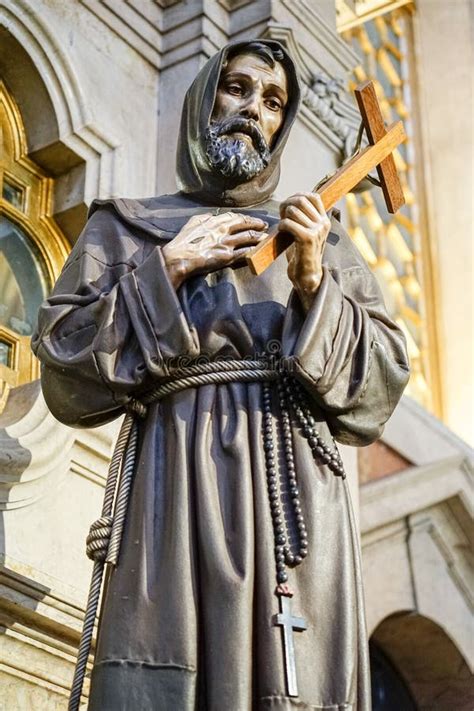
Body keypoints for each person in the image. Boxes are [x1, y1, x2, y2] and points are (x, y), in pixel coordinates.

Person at [32, 40, 409, 711]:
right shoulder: (125, 229)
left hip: (295, 500)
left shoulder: (323, 240)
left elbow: (380, 384)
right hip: (170, 487)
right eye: (237, 88)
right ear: (205, 96)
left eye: (273, 101)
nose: (252, 110)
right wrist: (166, 268)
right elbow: (65, 365)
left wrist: (315, 283)